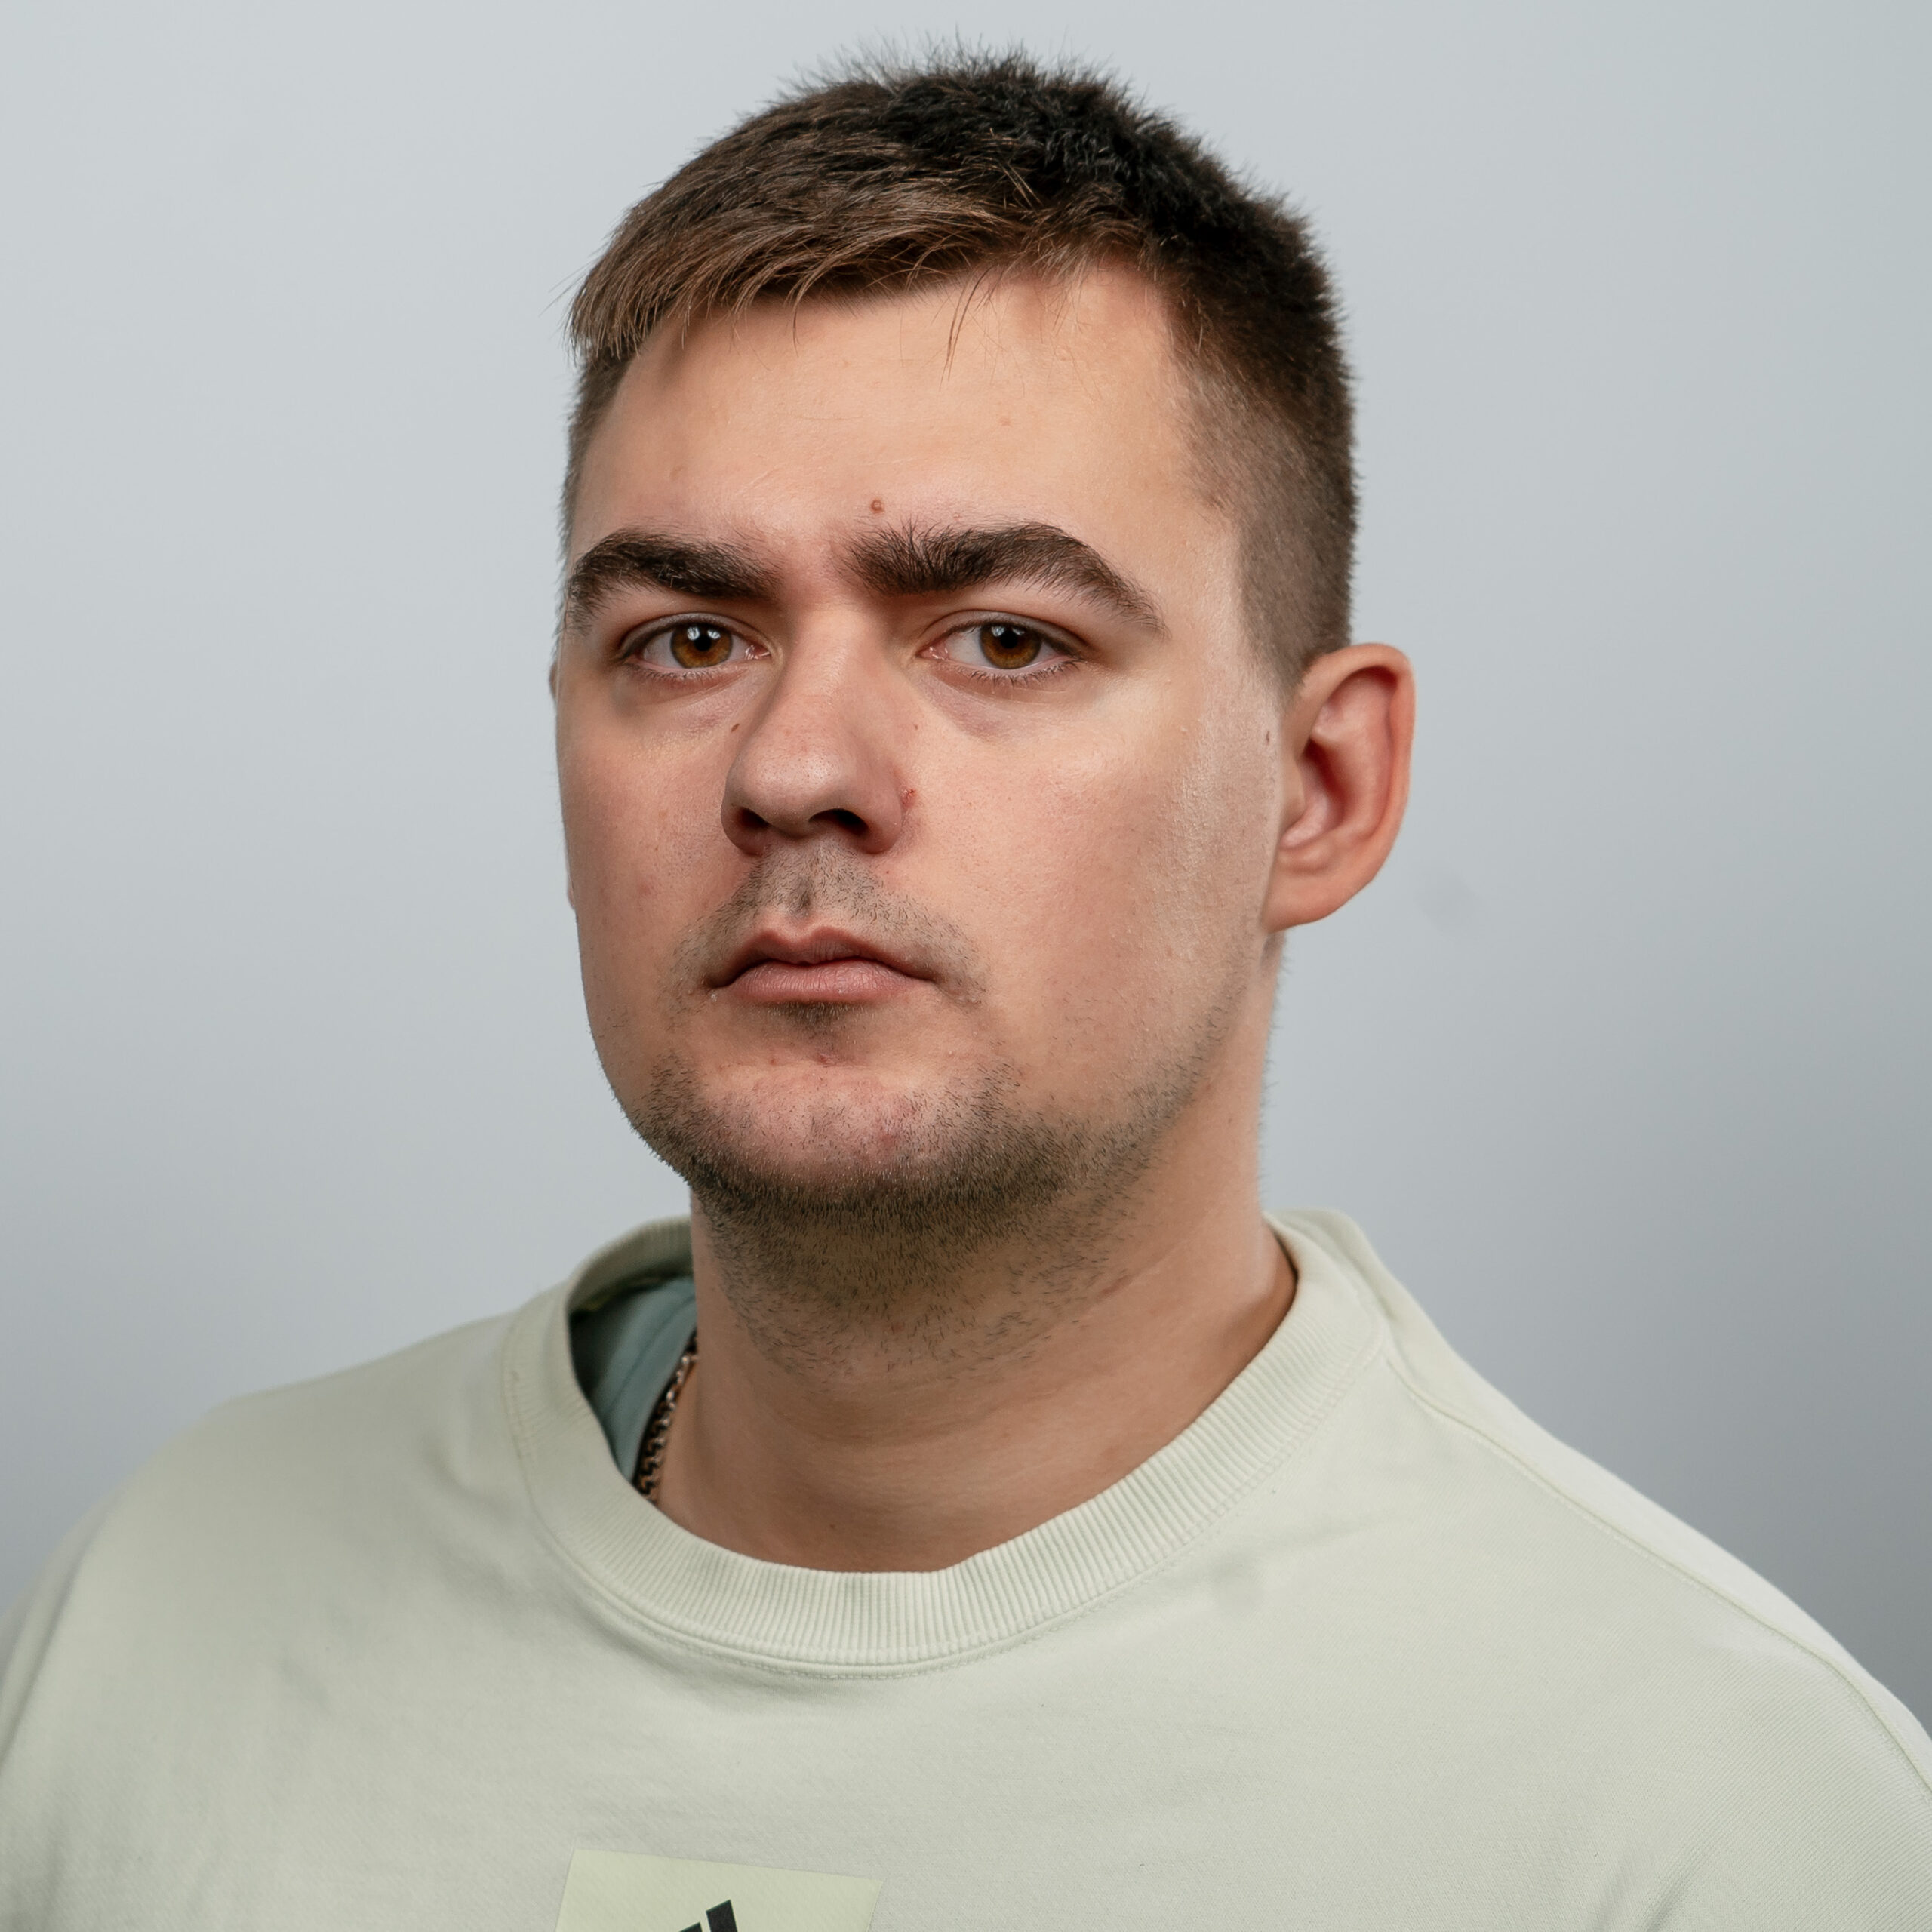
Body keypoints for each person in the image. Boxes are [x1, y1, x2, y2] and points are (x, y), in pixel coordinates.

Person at [2, 51, 1927, 1932]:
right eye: (687, 637)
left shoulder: (1696, 1818)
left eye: (1002, 636)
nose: (793, 766)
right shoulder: (159, 1615)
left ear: (1318, 789)